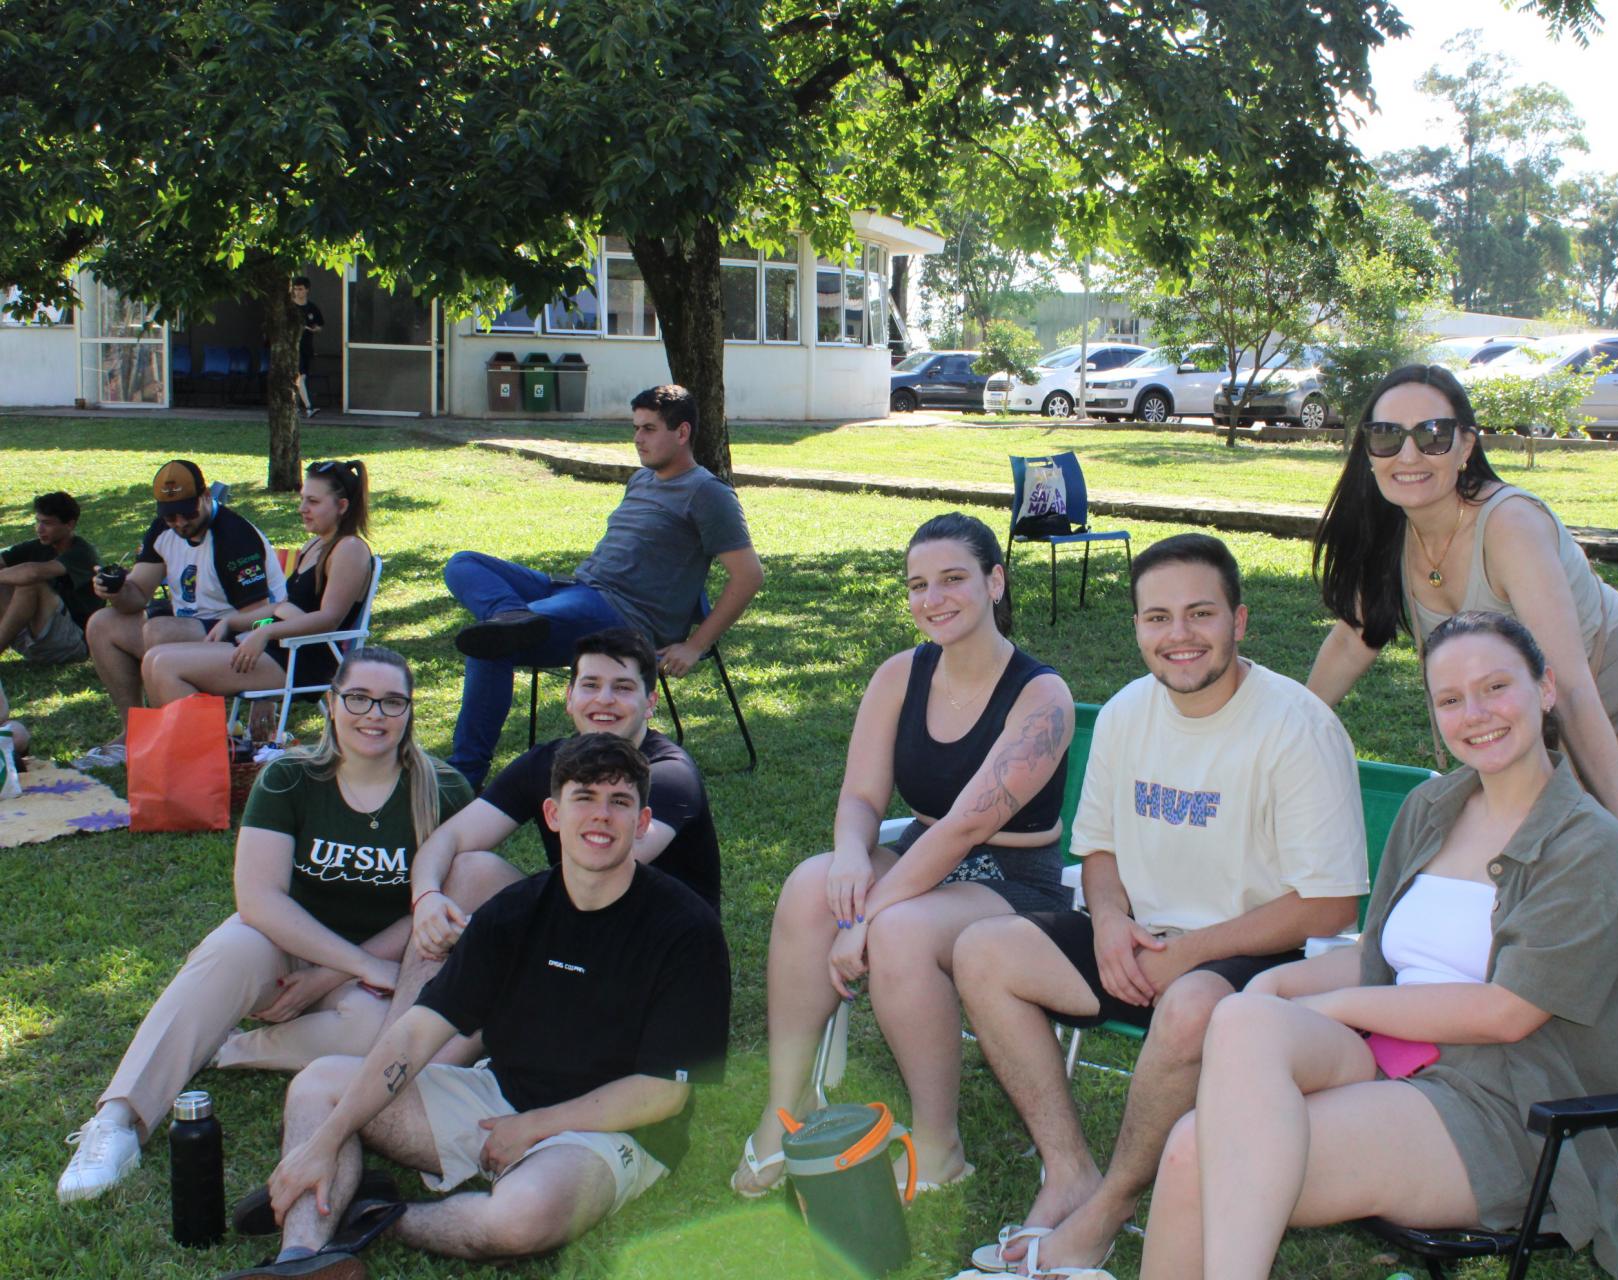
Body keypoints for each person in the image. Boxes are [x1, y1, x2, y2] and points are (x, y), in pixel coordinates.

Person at [1138, 611, 1618, 1280]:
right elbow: (1378, 956)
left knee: (1194, 1155)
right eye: (1450, 698)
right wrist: (1271, 997)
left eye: (1496, 687)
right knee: (1232, 1045)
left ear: (1545, 688)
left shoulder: (1587, 846)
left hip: (1510, 1115)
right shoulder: (1432, 808)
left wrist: (1333, 1012)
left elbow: (1508, 1012)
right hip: (1396, 1067)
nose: (1476, 712)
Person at [949, 533, 1369, 1277]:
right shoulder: (1124, 713)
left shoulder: (1297, 726)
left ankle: (1107, 1209)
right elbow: (1099, 848)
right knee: (983, 951)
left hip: (1256, 956)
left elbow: (1331, 905)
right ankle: (1067, 1169)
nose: (1179, 636)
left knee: (1190, 1006)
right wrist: (1108, 922)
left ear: (1239, 622)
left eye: (1200, 614)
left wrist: (1191, 954)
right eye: (1157, 617)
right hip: (1142, 944)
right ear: (1138, 627)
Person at [225, 733, 730, 1278]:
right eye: (584, 798)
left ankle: (375, 1216)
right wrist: (324, 1141)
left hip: (611, 1131)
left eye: (619, 801)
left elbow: (662, 1095)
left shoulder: (686, 930)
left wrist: (536, 1126)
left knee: (520, 1220)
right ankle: (299, 1258)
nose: (600, 817)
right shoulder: (513, 912)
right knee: (319, 1085)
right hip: (498, 1096)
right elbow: (417, 1032)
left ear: (643, 819)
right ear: (553, 814)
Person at [54, 648, 511, 1204]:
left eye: (393, 702)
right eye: (359, 698)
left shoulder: (440, 789)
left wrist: (337, 975)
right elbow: (259, 900)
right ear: (330, 704)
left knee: (388, 1037)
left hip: (380, 968)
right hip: (285, 947)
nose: (375, 715)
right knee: (229, 952)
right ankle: (117, 1119)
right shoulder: (290, 777)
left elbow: (434, 901)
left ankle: (232, 1049)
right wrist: (351, 964)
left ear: (410, 711)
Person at [731, 513, 1074, 1199]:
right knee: (810, 886)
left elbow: (961, 832)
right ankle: (785, 1107)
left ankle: (938, 1144)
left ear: (995, 581)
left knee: (898, 930)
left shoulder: (1042, 697)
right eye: (919, 584)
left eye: (953, 579)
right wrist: (852, 855)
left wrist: (865, 917)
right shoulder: (899, 675)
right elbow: (861, 794)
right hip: (922, 855)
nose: (933, 599)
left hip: (1010, 878)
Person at [1308, 363, 1618, 885]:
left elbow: (1571, 685)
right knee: (1529, 906)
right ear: (1367, 450)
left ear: (1465, 446)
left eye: (1432, 435)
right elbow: (1353, 641)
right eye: (1387, 435)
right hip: (1534, 732)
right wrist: (1287, 730)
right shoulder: (1393, 530)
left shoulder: (1509, 525)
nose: (1409, 455)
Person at [384, 626, 719, 1024]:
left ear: (650, 702)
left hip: (650, 947)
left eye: (623, 688)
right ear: (569, 697)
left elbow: (596, 884)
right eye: (590, 684)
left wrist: (486, 931)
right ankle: (397, 1043)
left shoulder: (667, 776)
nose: (604, 700)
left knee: (500, 965)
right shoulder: (550, 762)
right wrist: (425, 901)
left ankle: (414, 1063)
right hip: (573, 920)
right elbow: (450, 838)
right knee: (469, 870)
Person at [442, 383, 763, 788]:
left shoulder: (708, 494)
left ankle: (462, 779)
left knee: (490, 644)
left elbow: (749, 575)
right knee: (463, 564)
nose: (637, 439)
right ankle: (511, 615)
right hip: (573, 590)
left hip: (618, 615)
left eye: (648, 429)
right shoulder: (642, 481)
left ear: (682, 433)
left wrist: (695, 644)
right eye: (635, 428)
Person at [72, 459, 287, 771]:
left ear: (205, 496)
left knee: (159, 631)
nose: (180, 522)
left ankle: (174, 745)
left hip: (245, 642)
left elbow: (263, 619)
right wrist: (115, 589)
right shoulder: (164, 529)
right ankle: (134, 730)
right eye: (170, 514)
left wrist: (262, 696)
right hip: (192, 633)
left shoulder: (234, 538)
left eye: (187, 512)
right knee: (103, 624)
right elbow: (135, 598)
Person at [140, 460, 374, 739]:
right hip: (276, 647)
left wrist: (265, 632)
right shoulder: (316, 544)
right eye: (302, 499)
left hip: (298, 658)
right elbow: (284, 606)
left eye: (312, 501)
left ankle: (205, 764)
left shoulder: (349, 549)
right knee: (153, 658)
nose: (302, 509)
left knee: (166, 666)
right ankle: (188, 758)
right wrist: (233, 621)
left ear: (342, 506)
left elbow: (328, 619)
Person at [0, 491, 100, 665]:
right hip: (36, 636)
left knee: (31, 583)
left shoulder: (82, 553)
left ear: (70, 524)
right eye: (38, 521)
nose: (39, 529)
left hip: (72, 643)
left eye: (47, 523)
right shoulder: (38, 546)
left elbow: (33, 573)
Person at [291, 277, 324, 419]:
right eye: (295, 289)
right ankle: (308, 408)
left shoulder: (312, 308)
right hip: (293, 347)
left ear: (307, 290)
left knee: (300, 378)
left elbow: (319, 325)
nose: (298, 292)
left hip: (306, 347)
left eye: (301, 289)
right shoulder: (290, 308)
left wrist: (314, 329)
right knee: (300, 377)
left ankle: (294, 407)